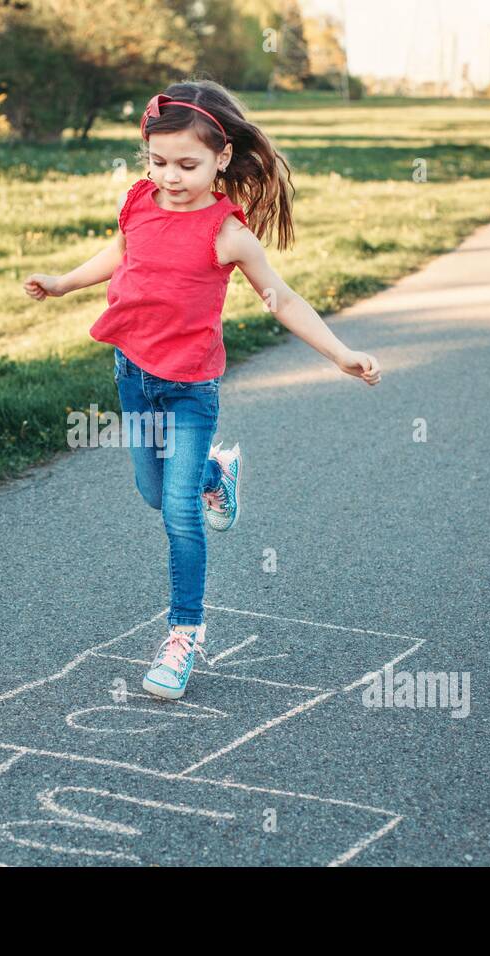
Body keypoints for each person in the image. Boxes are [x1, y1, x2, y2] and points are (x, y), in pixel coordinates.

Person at [24, 80, 381, 700]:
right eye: (157, 162)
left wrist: (341, 354)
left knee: (178, 514)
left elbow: (283, 299)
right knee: (153, 491)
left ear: (221, 158)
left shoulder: (227, 232)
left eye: (187, 165)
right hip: (132, 375)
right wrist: (62, 283)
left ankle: (183, 634)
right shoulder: (138, 202)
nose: (170, 176)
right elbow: (119, 254)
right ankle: (218, 475)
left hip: (190, 389)